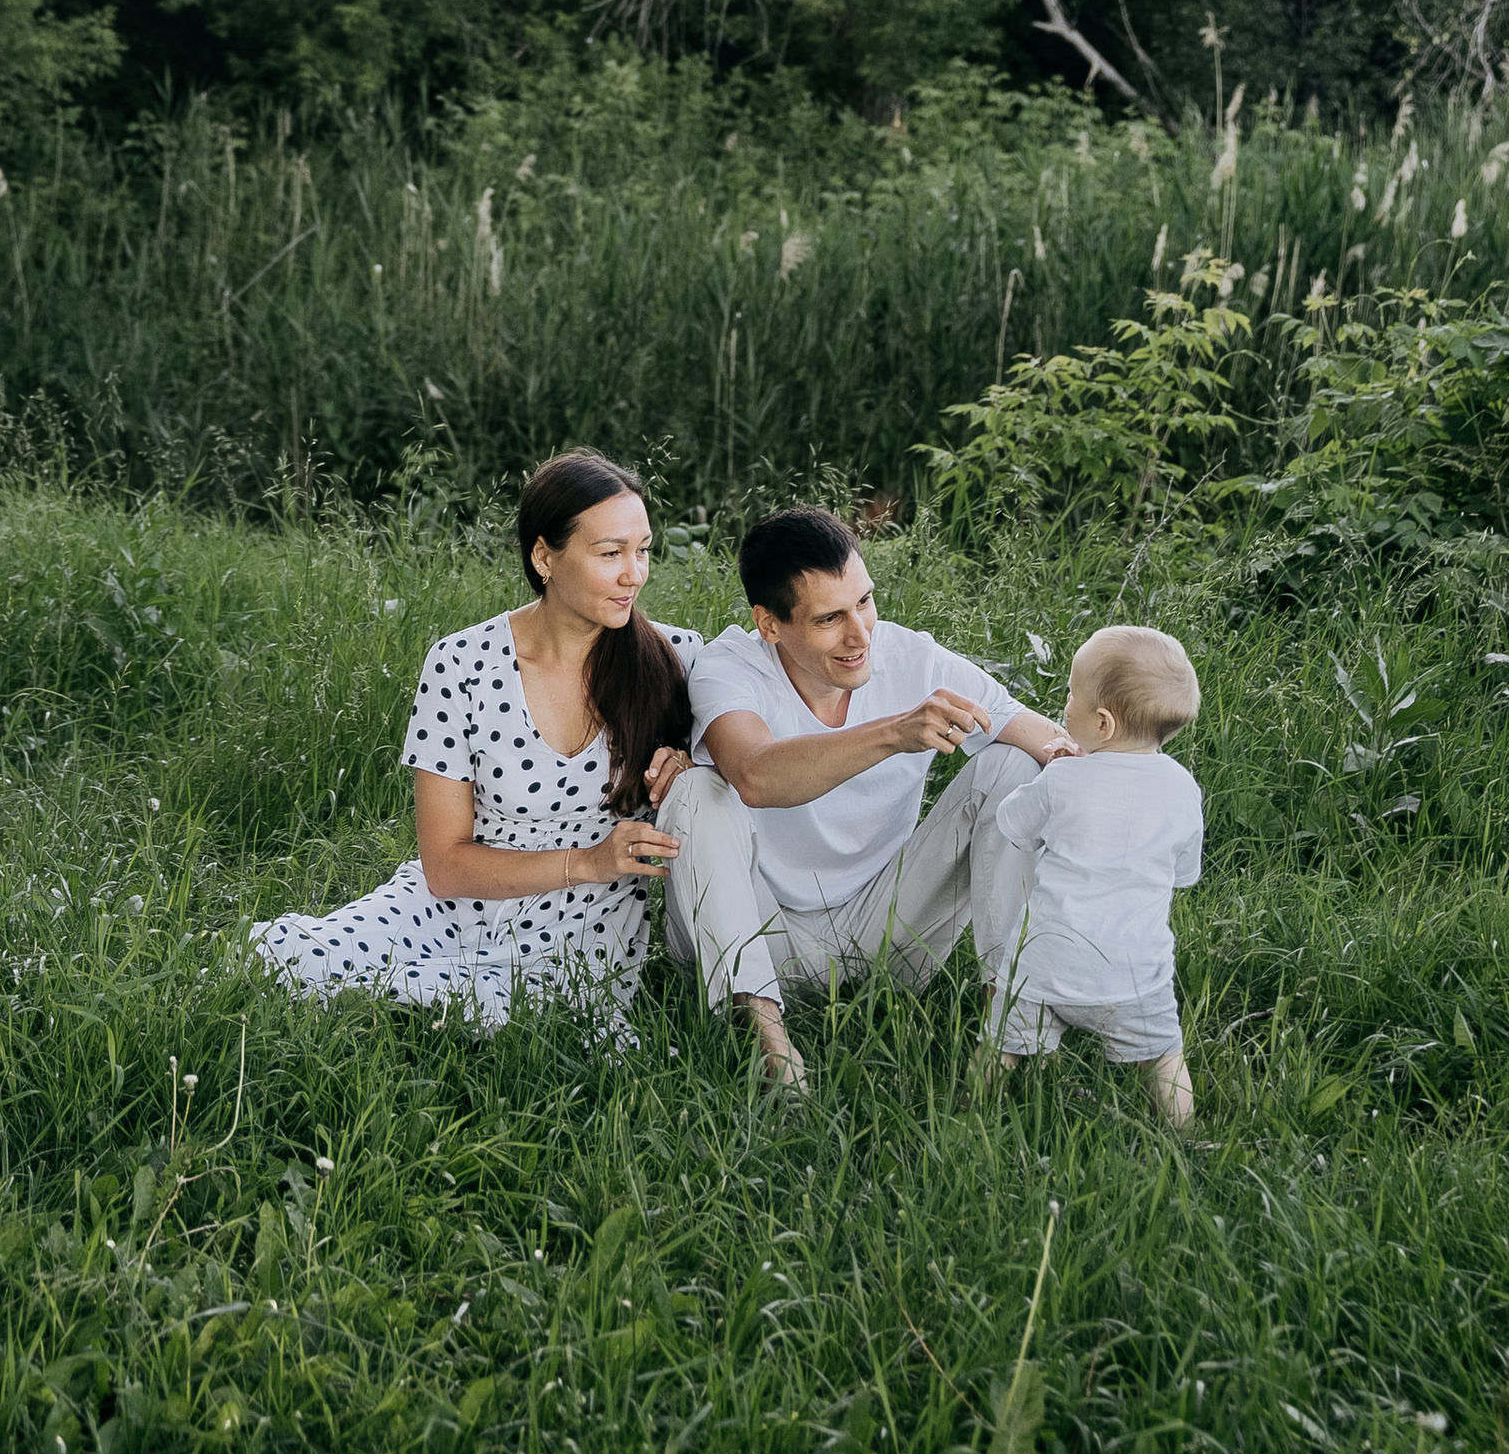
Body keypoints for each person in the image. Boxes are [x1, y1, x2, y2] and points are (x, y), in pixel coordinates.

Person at [251, 450, 701, 1034]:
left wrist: (694, 765)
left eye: (642, 550)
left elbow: (752, 747)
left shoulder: (677, 659)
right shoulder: (461, 663)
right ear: (545, 557)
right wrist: (587, 861)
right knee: (286, 962)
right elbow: (444, 865)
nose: (634, 573)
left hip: (585, 932)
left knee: (452, 1007)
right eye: (610, 553)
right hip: (453, 904)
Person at [663, 505, 1074, 1093]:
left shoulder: (913, 659)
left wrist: (1119, 784)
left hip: (881, 931)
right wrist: (895, 733)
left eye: (865, 602)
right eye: (830, 618)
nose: (860, 636)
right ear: (770, 624)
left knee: (1012, 767)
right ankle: (773, 1056)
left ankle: (1010, 1034)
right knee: (696, 788)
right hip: (757, 927)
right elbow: (755, 775)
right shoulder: (729, 667)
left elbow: (1044, 740)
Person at [983, 623, 1203, 1125]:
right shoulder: (1182, 788)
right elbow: (1184, 874)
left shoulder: (1063, 779)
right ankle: (1187, 1140)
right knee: (1166, 1057)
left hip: (1044, 967)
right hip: (1134, 975)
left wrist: (1053, 770)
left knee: (1000, 1049)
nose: (1064, 705)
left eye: (1070, 695)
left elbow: (1012, 825)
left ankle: (972, 1114)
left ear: (1102, 723)